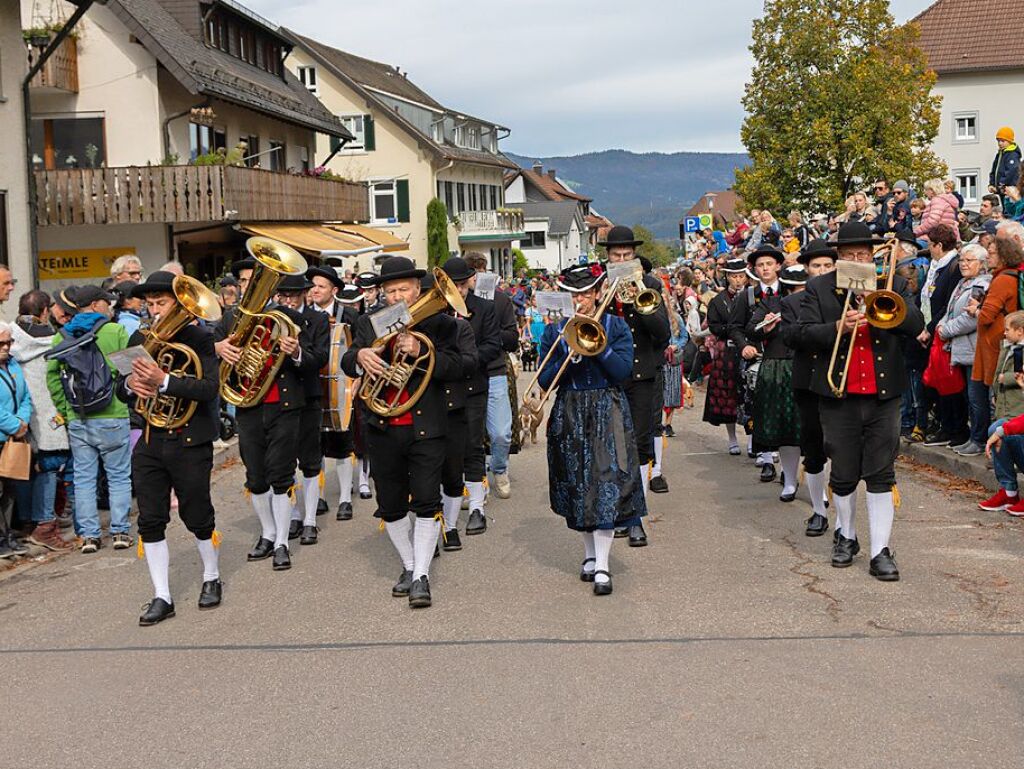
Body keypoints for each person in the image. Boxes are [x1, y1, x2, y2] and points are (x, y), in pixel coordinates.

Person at [799, 222, 925, 581]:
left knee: (881, 471)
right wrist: (838, 327)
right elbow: (803, 334)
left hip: (884, 396)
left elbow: (915, 325)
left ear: (873, 257)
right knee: (842, 471)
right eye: (850, 255)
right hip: (839, 394)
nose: (858, 259)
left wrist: (879, 297)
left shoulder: (893, 284)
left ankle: (880, 549)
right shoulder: (819, 288)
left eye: (864, 255)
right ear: (838, 259)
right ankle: (846, 535)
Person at [342, 256, 462, 608]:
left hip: (426, 426)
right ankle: (409, 565)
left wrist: (426, 350)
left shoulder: (441, 324)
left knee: (426, 500)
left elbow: (463, 365)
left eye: (404, 289)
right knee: (390, 504)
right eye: (391, 290)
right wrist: (360, 355)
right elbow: (347, 360)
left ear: (417, 289)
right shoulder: (368, 322)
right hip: (382, 426)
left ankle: (421, 575)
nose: (397, 296)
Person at [117, 273, 223, 626]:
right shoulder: (140, 337)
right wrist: (132, 384)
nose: (155, 310)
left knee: (197, 513)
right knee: (149, 517)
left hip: (190, 437)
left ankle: (211, 575)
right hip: (150, 438)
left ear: (180, 304)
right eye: (150, 304)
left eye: (161, 304)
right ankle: (162, 594)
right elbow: (121, 387)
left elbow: (209, 388)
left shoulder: (200, 339)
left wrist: (163, 380)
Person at [539, 264, 645, 596]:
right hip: (570, 408)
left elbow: (623, 372)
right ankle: (588, 555)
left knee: (606, 482)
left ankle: (602, 564)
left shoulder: (616, 326)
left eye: (585, 294)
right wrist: (565, 356)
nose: (580, 300)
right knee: (578, 484)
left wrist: (598, 348)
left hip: (606, 406)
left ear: (598, 293)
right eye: (574, 295)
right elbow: (544, 381)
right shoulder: (554, 329)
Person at [214, 256, 313, 572]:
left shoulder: (287, 318)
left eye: (254, 280)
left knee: (281, 473)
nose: (248, 286)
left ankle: (282, 541)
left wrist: (295, 352)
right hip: (248, 405)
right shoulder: (228, 320)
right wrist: (218, 350)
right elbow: (207, 356)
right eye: (244, 281)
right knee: (255, 476)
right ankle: (268, 532)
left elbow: (314, 360)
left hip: (284, 406)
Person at [45, 285, 132, 554]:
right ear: (95, 305)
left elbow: (52, 379)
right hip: (113, 414)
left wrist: (67, 409)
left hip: (79, 417)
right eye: (107, 302)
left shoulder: (61, 337)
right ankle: (119, 531)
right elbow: (128, 371)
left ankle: (90, 537)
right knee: (118, 476)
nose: (111, 307)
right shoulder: (115, 331)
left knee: (84, 478)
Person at [602, 226, 671, 546]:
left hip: (643, 375)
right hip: (610, 376)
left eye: (627, 256)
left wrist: (640, 294)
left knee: (641, 444)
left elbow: (663, 335)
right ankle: (618, 508)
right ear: (607, 258)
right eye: (616, 256)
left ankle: (636, 516)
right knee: (615, 447)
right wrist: (604, 298)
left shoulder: (652, 286)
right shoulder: (600, 287)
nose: (622, 260)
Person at [441, 257, 499, 539]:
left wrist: (469, 358)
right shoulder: (437, 310)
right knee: (445, 447)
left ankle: (476, 506)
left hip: (473, 384)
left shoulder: (484, 308)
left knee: (473, 444)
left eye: (463, 285)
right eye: (454, 285)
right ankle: (445, 506)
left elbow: (493, 344)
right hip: (441, 386)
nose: (459, 291)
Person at [783, 239, 837, 535]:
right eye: (816, 265)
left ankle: (843, 517)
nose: (822, 270)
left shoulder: (845, 297)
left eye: (828, 265)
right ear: (806, 269)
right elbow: (791, 336)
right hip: (808, 381)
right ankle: (818, 509)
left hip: (840, 380)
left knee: (840, 448)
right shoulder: (792, 302)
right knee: (813, 446)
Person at [11, 292, 71, 552]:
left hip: (20, 413)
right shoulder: (52, 340)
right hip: (47, 411)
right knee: (50, 465)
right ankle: (45, 525)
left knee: (24, 466)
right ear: (45, 311)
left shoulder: (10, 338)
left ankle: (26, 522)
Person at [275, 274, 330, 545]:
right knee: (283, 462)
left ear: (304, 294)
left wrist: (297, 352)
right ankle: (293, 515)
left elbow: (321, 357)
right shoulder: (271, 318)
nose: (288, 299)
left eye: (294, 294)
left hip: (307, 394)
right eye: (284, 294)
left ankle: (310, 520)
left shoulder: (317, 320)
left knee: (309, 460)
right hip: (279, 400)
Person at [307, 266, 362, 520]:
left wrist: (355, 381)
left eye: (321, 286)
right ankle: (317, 497)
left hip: (342, 387)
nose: (315, 290)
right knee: (313, 445)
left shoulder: (349, 316)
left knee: (342, 441)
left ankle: (343, 499)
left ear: (334, 290)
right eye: (313, 286)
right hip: (313, 385)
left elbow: (358, 348)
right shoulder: (304, 317)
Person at [748, 261, 805, 501]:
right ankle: (789, 481)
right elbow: (751, 330)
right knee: (786, 430)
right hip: (779, 367)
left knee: (811, 431)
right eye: (792, 288)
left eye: (801, 287)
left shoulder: (816, 302)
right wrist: (767, 327)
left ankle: (817, 486)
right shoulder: (772, 303)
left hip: (807, 364)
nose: (796, 293)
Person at [463, 252, 517, 500]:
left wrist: (490, 323)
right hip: (468, 372)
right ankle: (477, 476)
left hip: (494, 370)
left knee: (500, 433)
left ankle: (500, 468)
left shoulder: (501, 300)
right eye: (472, 273)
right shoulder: (460, 302)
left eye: (481, 271)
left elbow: (513, 340)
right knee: (471, 432)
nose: (477, 278)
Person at [729, 245, 785, 481]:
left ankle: (787, 462)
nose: (765, 269)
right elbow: (735, 327)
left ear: (778, 266)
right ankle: (765, 456)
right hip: (757, 357)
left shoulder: (788, 290)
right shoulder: (747, 296)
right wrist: (744, 346)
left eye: (769, 264)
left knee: (784, 409)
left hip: (784, 358)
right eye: (760, 265)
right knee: (759, 407)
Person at [937, 243, 991, 455]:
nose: (964, 264)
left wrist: (945, 330)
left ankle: (979, 440)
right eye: (962, 260)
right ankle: (973, 437)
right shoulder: (962, 283)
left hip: (973, 348)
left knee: (976, 397)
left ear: (982, 263)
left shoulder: (982, 285)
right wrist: (941, 323)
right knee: (967, 396)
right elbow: (951, 310)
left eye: (969, 260)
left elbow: (970, 319)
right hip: (960, 348)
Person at [970, 232, 1023, 427]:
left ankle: (990, 440)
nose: (988, 256)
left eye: (992, 253)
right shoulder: (1014, 276)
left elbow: (986, 316)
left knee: (991, 397)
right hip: (1004, 341)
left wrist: (975, 310)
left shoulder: (1002, 280)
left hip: (995, 345)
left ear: (1003, 256)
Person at [919, 224, 964, 447]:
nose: (928, 249)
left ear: (939, 245)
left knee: (949, 385)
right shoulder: (938, 265)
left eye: (930, 245)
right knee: (935, 383)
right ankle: (943, 424)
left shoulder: (953, 267)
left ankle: (953, 428)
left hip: (940, 332)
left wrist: (930, 327)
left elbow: (947, 304)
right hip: (933, 329)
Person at [979, 311, 1024, 514]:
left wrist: (1008, 379)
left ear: (1020, 331)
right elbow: (998, 374)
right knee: (998, 431)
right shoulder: (1007, 347)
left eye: (1007, 329)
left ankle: (1009, 489)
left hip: (1018, 409)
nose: (1004, 333)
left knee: (999, 432)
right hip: (1006, 407)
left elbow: (1015, 376)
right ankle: (1009, 491)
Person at [702, 257, 748, 453]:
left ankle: (754, 440)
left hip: (748, 348)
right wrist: (730, 329)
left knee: (749, 395)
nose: (738, 280)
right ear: (727, 276)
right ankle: (732, 438)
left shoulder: (752, 297)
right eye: (734, 276)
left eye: (741, 276)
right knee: (728, 396)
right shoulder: (717, 301)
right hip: (726, 350)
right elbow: (713, 325)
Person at [0, 322, 32, 558]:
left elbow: (25, 397)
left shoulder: (12, 364)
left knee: (10, 489)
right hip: (5, 432)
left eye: (9, 342)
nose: (6, 347)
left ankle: (8, 533)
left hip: (13, 438)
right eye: (1, 343)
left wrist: (22, 420)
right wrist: (13, 425)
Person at [990, 126, 1022, 194]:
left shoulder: (1012, 154)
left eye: (1003, 141)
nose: (1000, 143)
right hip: (1000, 190)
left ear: (1009, 141)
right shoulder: (1000, 154)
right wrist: (991, 184)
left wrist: (1001, 184)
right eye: (998, 141)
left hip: (1009, 190)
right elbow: (994, 170)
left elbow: (1011, 171)